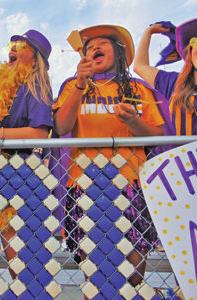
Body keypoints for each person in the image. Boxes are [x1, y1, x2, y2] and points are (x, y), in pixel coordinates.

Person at [54, 25, 167, 287]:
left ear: (118, 52)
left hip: (131, 185)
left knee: (134, 269)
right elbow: (61, 127)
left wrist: (134, 122)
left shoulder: (138, 89)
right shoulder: (72, 85)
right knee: (93, 273)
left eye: (102, 44)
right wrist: (81, 85)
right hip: (84, 186)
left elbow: (157, 135)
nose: (94, 48)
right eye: (90, 46)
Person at [0, 29, 53, 281]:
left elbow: (38, 134)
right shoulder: (0, 82)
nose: (13, 48)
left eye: (21, 45)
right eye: (12, 44)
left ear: (35, 58)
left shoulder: (36, 83)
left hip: (16, 174)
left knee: (15, 249)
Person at [134, 17, 197, 135]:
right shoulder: (173, 82)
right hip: (182, 152)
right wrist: (148, 32)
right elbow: (140, 66)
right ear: (190, 55)